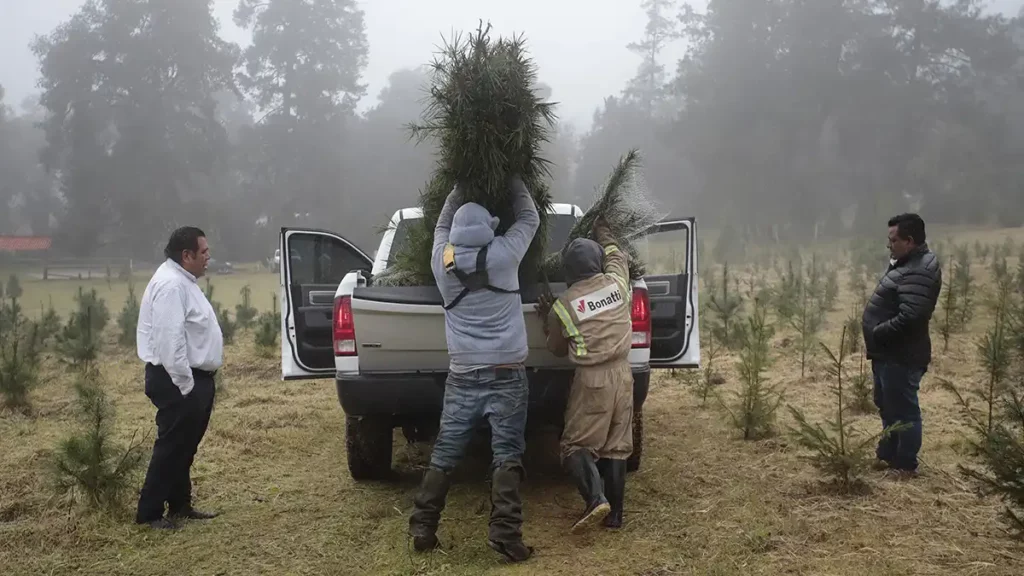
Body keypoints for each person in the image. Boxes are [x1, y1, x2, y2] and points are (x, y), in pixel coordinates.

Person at [408, 175, 539, 563]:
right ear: (488, 230)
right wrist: (515, 179)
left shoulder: (441, 262)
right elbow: (529, 218)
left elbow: (441, 224)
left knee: (445, 453)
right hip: (507, 373)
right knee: (507, 453)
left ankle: (422, 526)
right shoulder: (503, 255)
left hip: (463, 375)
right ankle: (505, 534)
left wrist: (460, 185)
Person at [537, 217, 633, 532]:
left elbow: (556, 349)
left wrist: (547, 320)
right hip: (623, 374)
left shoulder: (564, 306)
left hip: (592, 380)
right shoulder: (617, 283)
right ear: (598, 262)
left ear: (568, 271)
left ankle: (595, 499)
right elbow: (617, 255)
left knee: (575, 446)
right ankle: (616, 517)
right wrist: (603, 230)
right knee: (617, 445)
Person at [135, 226, 223, 529]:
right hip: (177, 380)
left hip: (190, 379)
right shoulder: (171, 285)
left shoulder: (183, 281)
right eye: (204, 252)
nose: (209, 256)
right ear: (186, 255)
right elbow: (169, 341)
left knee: (184, 446)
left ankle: (180, 505)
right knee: (172, 446)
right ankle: (148, 514)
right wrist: (187, 387)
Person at [862, 213, 941, 478]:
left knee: (904, 410)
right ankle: (888, 454)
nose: (889, 245)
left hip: (901, 354)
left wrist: (879, 332)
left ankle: (905, 464)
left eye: (893, 240)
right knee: (887, 404)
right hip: (888, 352)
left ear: (909, 240)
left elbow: (912, 316)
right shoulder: (908, 263)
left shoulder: (920, 269)